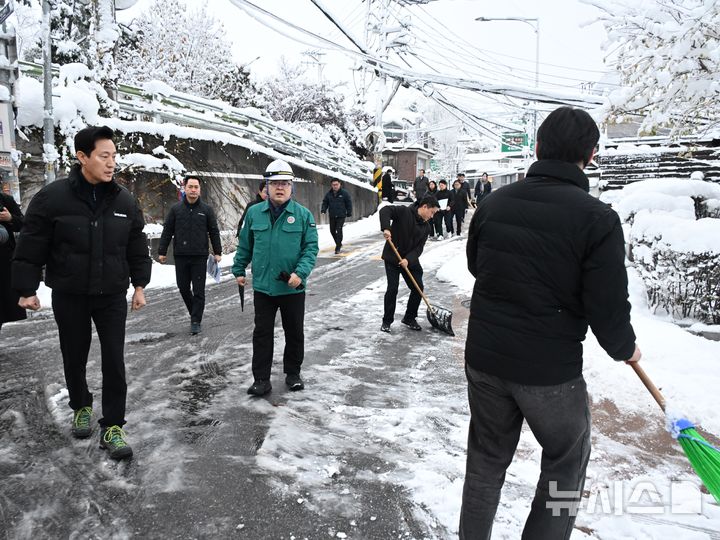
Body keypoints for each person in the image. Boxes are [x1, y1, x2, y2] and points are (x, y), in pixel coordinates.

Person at [460, 106, 642, 539]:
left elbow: (476, 266)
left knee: (485, 460)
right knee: (566, 459)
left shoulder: (494, 203)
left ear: (538, 147)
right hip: (549, 373)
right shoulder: (597, 218)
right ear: (592, 155)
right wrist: (626, 348)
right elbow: (606, 306)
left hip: (485, 360)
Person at [12, 126, 152, 460]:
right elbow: (31, 244)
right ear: (82, 157)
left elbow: (136, 244)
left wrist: (140, 285)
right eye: (104, 156)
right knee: (74, 355)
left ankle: (113, 426)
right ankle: (80, 406)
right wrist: (26, 288)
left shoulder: (124, 200)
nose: (111, 163)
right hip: (69, 293)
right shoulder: (52, 198)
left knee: (114, 360)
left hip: (111, 294)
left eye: (114, 156)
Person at [233, 159, 319, 396]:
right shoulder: (253, 214)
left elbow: (310, 248)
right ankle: (261, 379)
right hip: (263, 287)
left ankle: (293, 374)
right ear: (267, 186)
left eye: (285, 183)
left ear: (292, 187)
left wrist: (300, 274)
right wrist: (239, 269)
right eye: (274, 183)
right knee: (262, 334)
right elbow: (245, 246)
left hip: (292, 287)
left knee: (294, 332)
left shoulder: (303, 215)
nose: (280, 188)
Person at [158, 175, 222, 335]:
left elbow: (214, 231)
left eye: (196, 187)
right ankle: (195, 310)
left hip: (200, 256)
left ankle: (195, 320)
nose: (193, 190)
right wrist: (162, 251)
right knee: (183, 287)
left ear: (199, 190)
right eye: (190, 187)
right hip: (181, 255)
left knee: (199, 290)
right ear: (184, 188)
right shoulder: (176, 209)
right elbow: (167, 231)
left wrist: (218, 251)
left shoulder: (206, 210)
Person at [379, 195, 439, 333]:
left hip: (409, 261)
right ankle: (387, 321)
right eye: (432, 212)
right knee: (392, 288)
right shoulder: (404, 212)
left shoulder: (426, 227)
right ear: (425, 207)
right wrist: (386, 228)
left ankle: (409, 317)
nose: (432, 216)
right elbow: (385, 211)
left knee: (418, 287)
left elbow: (419, 248)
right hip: (393, 257)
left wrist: (408, 260)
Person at [0, 191, 25, 333]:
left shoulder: (6, 200)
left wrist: (9, 218)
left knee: (4, 304)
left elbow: (23, 223)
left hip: (4, 261)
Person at [321, 178, 353, 254]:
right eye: (333, 185)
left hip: (341, 215)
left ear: (339, 184)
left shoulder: (344, 193)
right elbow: (325, 202)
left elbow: (349, 203)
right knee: (332, 230)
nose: (335, 186)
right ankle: (338, 243)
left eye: (336, 184)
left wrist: (349, 212)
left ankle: (338, 247)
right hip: (332, 215)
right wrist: (323, 210)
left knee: (339, 230)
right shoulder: (329, 194)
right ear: (331, 185)